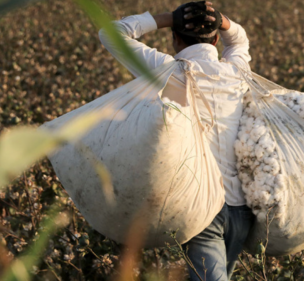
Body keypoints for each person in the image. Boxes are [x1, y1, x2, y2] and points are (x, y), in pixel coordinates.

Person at [98, 2, 254, 280]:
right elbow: (240, 40)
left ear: (175, 38)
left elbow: (112, 34)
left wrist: (168, 18)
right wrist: (223, 21)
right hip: (241, 211)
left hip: (200, 209)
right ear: (216, 39)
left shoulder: (168, 71)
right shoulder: (236, 72)